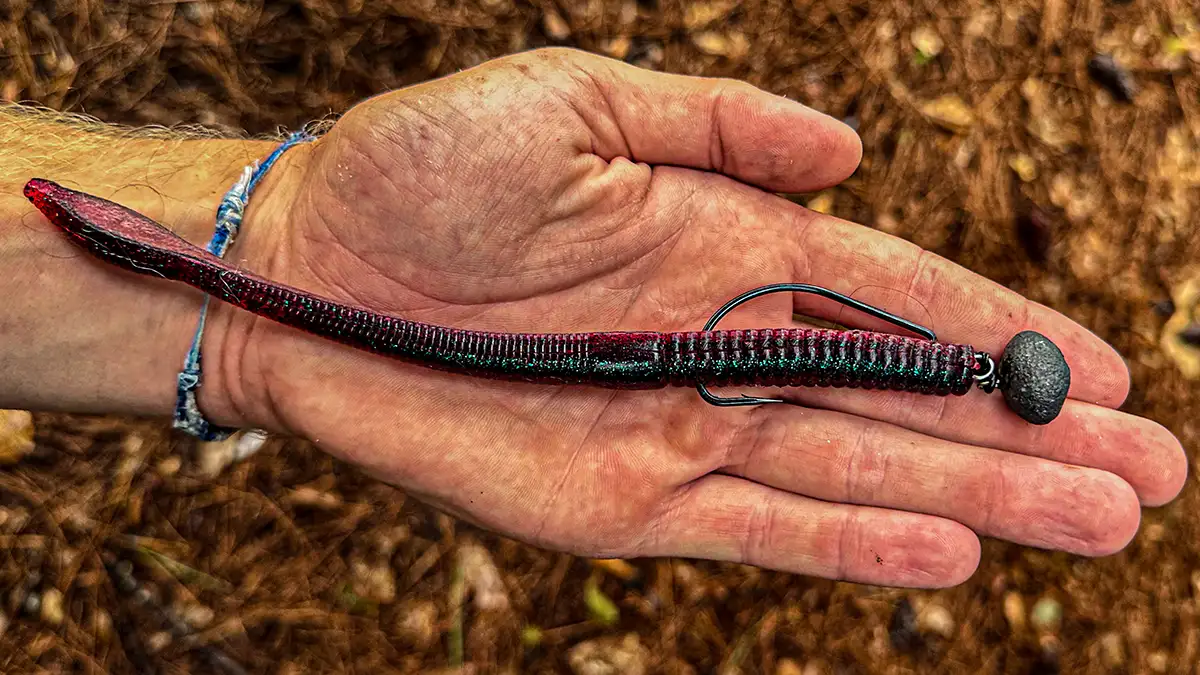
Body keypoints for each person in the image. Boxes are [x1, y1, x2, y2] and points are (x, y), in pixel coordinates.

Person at [0, 48, 1185, 588]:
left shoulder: (942, 363)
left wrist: (252, 249)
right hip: (666, 352)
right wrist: (258, 242)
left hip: (673, 355)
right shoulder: (942, 362)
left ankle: (144, 244)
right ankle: (118, 233)